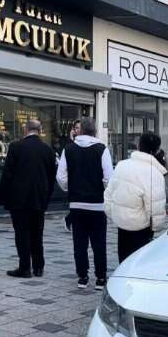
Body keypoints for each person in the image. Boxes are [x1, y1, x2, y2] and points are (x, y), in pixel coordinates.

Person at [56, 117, 114, 290]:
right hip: (97, 204)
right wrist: (102, 190)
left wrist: (70, 188)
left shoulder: (69, 149)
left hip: (76, 204)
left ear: (80, 131)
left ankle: (82, 277)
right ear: (95, 131)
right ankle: (101, 278)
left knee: (79, 243)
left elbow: (61, 176)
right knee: (99, 243)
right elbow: (109, 177)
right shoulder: (102, 149)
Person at [0, 120, 57, 278]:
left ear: (26, 129)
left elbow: (7, 174)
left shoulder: (16, 147)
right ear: (40, 130)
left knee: (22, 233)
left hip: (19, 199)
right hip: (39, 198)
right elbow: (52, 177)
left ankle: (25, 267)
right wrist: (47, 196)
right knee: (37, 233)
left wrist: (3, 197)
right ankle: (38, 267)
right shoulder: (47, 150)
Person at [104, 133, 167, 263]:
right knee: (139, 262)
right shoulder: (154, 172)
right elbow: (155, 207)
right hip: (142, 228)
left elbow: (109, 193)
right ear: (157, 150)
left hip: (122, 223)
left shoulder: (121, 165)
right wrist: (155, 227)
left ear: (139, 146)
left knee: (123, 261)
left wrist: (113, 214)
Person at [64, 119, 81, 233]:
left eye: (80, 128)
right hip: (74, 177)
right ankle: (69, 219)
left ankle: (70, 219)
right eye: (76, 128)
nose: (78, 130)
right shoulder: (69, 144)